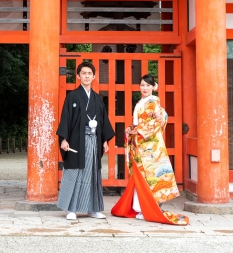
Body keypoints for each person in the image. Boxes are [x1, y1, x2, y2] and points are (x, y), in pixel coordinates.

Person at [111, 74, 189, 225]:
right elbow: (139, 123)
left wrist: (138, 130)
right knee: (141, 176)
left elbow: (158, 121)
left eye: (148, 85)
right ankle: (140, 207)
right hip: (140, 144)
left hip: (151, 147)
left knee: (151, 177)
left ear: (155, 87)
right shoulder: (141, 102)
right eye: (142, 85)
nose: (144, 88)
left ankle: (149, 208)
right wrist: (131, 129)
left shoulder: (154, 102)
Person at [56, 61, 115, 221]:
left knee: (92, 174)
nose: (87, 76)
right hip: (76, 141)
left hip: (94, 141)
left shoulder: (97, 99)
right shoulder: (72, 96)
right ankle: (72, 209)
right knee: (75, 173)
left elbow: (103, 121)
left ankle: (93, 209)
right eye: (84, 73)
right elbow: (66, 119)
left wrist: (104, 140)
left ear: (94, 76)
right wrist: (64, 139)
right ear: (78, 76)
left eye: (90, 73)